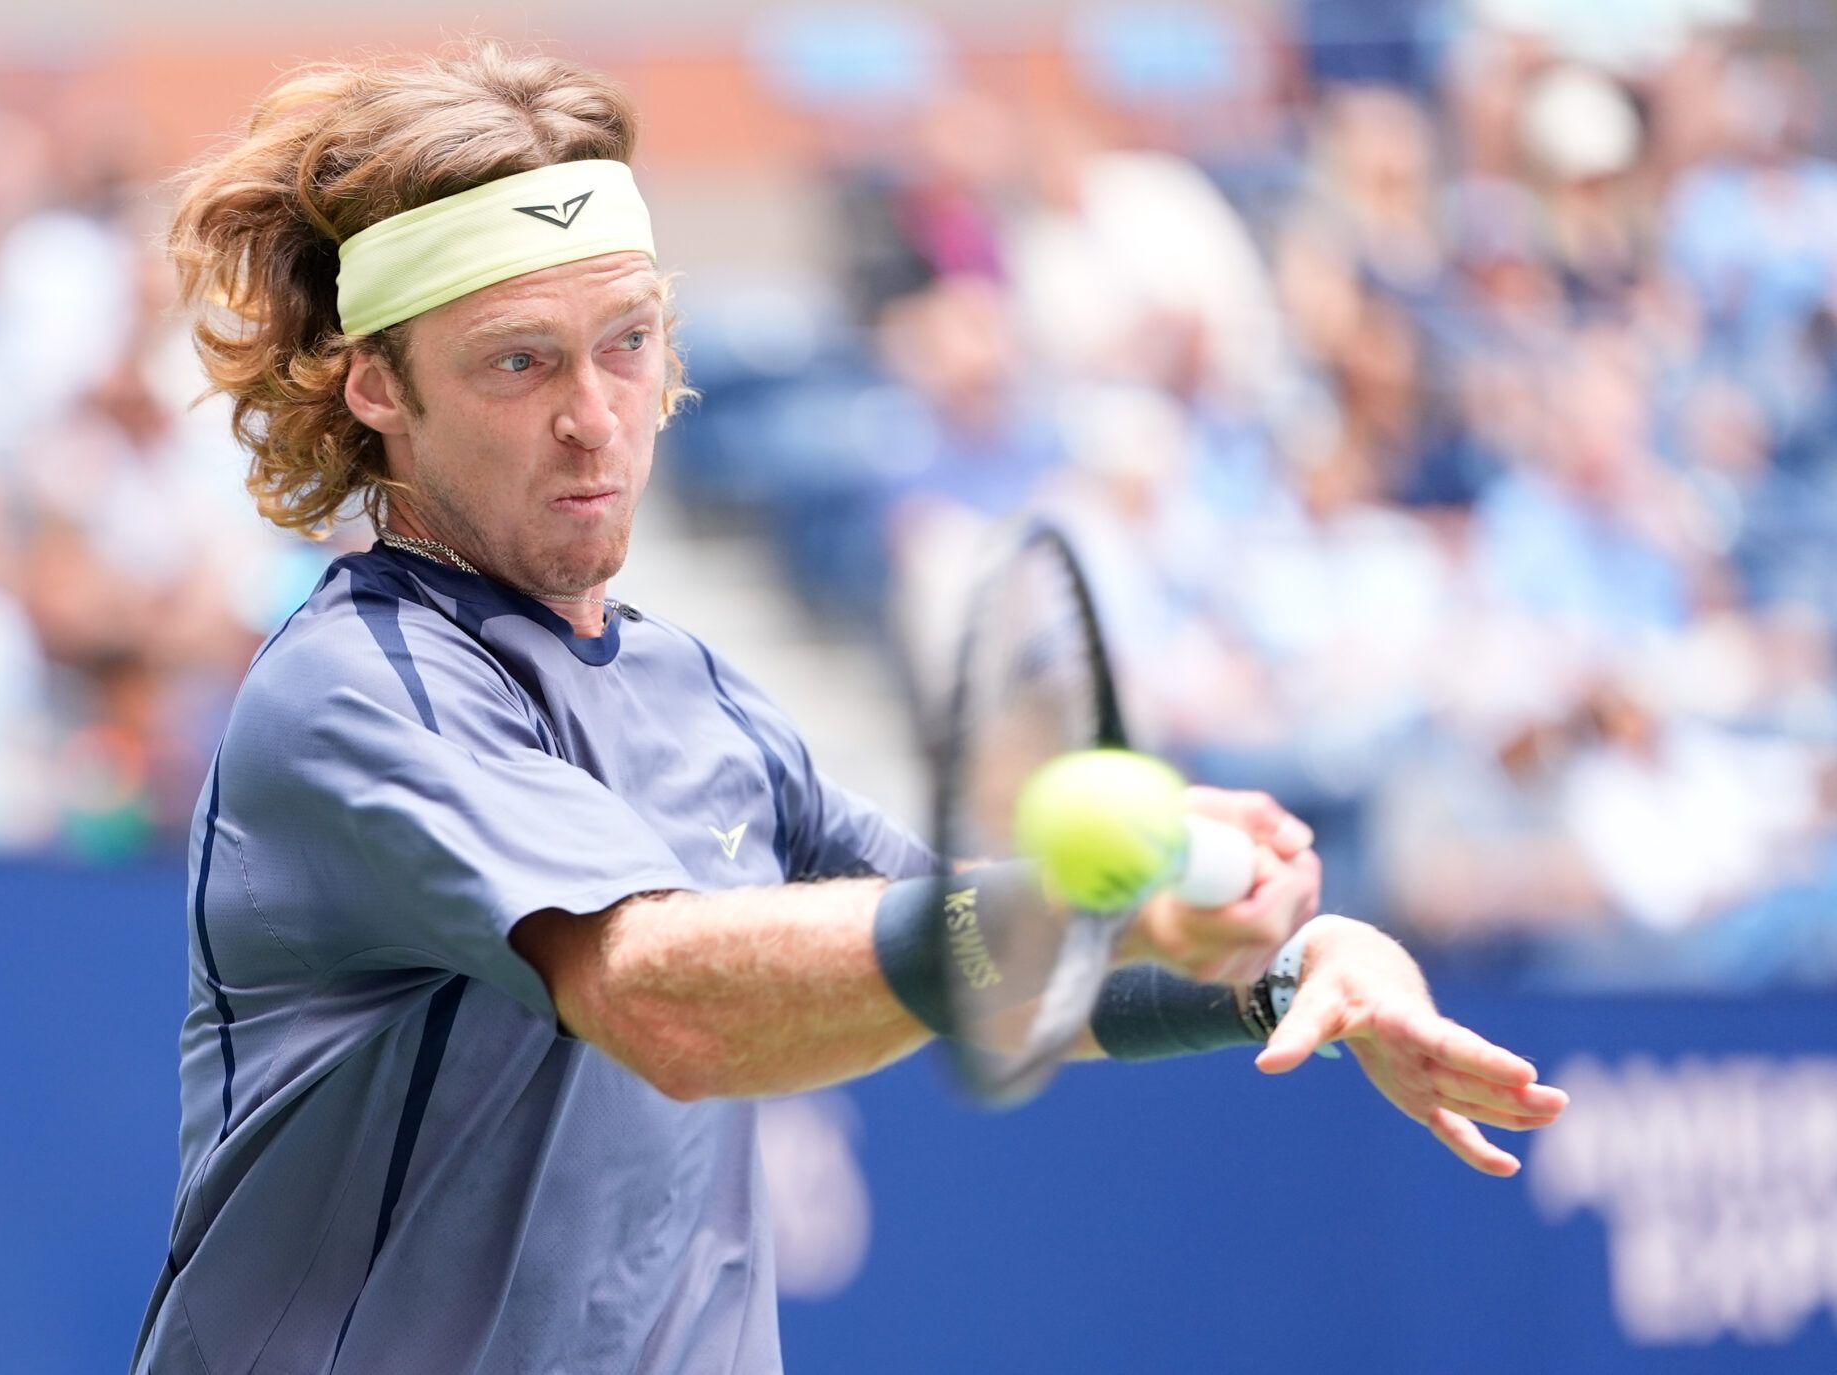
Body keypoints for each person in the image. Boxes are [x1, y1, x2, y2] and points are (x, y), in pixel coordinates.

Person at [131, 44, 1566, 1375]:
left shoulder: (700, 695)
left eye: (626, 343)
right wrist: (1051, 896)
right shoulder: (356, 688)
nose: (594, 416)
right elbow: (663, 998)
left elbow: (971, 947)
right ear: (377, 386)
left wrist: (1281, 958)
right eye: (519, 361)